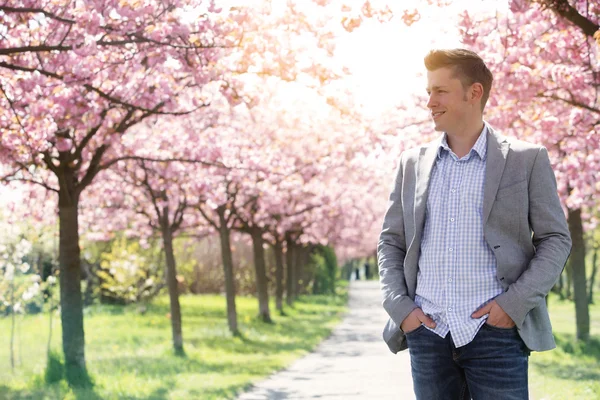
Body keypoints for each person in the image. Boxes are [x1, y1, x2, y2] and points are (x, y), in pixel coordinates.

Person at [377, 48, 571, 400]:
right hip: (428, 334)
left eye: (440, 91)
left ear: (474, 92)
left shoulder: (526, 160)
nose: (430, 102)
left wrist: (513, 306)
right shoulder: (411, 163)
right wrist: (402, 309)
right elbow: (391, 242)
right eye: (428, 92)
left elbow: (555, 239)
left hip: (497, 335)